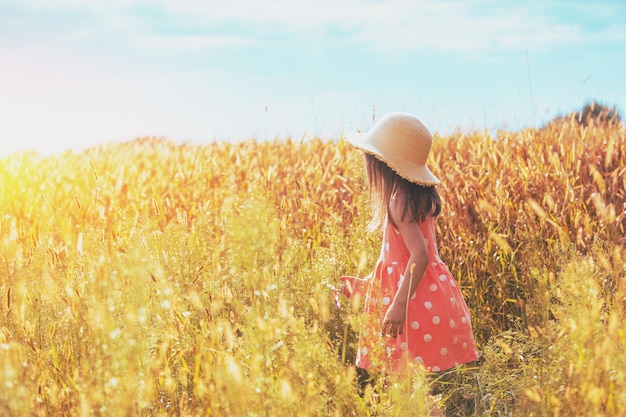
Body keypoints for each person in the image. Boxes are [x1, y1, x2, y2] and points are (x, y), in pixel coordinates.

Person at [340, 112, 479, 389]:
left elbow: (420, 255)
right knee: (415, 389)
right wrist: (369, 285)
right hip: (427, 298)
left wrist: (399, 304)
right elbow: (399, 259)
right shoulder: (413, 200)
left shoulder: (398, 203)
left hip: (410, 307)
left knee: (403, 387)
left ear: (383, 165)